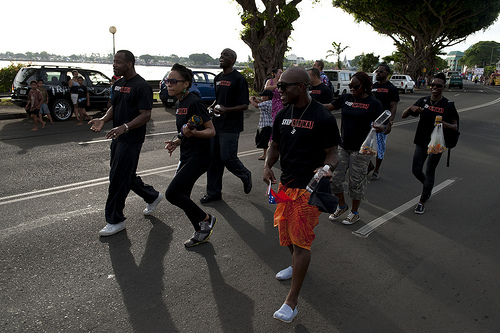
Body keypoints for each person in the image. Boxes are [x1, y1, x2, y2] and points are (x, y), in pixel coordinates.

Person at [263, 67, 340, 323]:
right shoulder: (283, 114)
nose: (279, 90)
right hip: (285, 185)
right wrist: (267, 166)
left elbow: (332, 152)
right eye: (278, 85)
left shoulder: (322, 117)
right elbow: (275, 145)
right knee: (285, 234)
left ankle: (292, 302)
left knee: (301, 241)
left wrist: (327, 167)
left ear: (302, 87)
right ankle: (294, 265)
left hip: (308, 188)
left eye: (284, 86)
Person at [89, 50, 163, 237]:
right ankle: (152, 196)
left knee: (117, 178)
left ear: (129, 63)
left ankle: (115, 220)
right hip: (118, 137)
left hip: (131, 139)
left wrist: (126, 127)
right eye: (114, 61)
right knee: (124, 175)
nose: (114, 65)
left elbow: (145, 115)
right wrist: (103, 120)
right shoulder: (118, 84)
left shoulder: (142, 86)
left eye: (118, 62)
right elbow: (115, 106)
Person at [163, 63, 217, 247]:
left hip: (200, 156)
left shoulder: (194, 102)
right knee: (183, 196)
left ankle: (206, 219)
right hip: (187, 155)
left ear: (185, 84)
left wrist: (194, 134)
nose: (168, 84)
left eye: (172, 81)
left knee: (172, 194)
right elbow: (185, 130)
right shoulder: (180, 103)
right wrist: (177, 142)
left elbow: (211, 131)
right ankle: (201, 230)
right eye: (166, 80)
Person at [325, 72, 384, 225]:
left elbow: (385, 125)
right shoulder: (346, 98)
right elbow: (328, 108)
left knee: (355, 183)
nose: (352, 89)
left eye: (355, 86)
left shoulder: (374, 103)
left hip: (362, 150)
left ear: (364, 86)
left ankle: (354, 212)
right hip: (343, 146)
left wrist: (381, 127)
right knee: (334, 180)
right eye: (350, 86)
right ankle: (342, 206)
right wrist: (309, 103)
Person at [401, 72, 459, 214]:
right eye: (432, 85)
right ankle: (428, 185)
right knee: (416, 170)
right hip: (421, 140)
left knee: (429, 170)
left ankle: (422, 201)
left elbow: (455, 126)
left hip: (437, 144)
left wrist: (445, 125)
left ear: (443, 87)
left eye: (438, 85)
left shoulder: (448, 105)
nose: (434, 87)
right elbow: (403, 115)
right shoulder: (423, 100)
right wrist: (410, 109)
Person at [200, 48, 252, 203]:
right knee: (213, 160)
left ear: (233, 59)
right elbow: (219, 99)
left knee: (227, 157)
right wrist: (212, 107)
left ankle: (244, 174)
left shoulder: (238, 79)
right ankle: (214, 192)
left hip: (231, 126)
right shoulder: (217, 78)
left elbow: (244, 105)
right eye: (221, 55)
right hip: (216, 125)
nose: (222, 57)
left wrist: (226, 110)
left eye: (226, 55)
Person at [369, 64, 400, 180]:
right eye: (377, 71)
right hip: (370, 121)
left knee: (380, 148)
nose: (378, 73)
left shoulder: (391, 88)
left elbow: (393, 107)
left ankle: (376, 170)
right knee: (365, 146)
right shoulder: (373, 86)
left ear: (387, 74)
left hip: (382, 123)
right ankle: (369, 165)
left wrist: (390, 123)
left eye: (381, 72)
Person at [250, 89, 273, 160]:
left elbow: (257, 106)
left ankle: (266, 155)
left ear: (267, 97)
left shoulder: (267, 103)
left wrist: (251, 100)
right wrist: (256, 100)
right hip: (265, 125)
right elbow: (260, 104)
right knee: (264, 141)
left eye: (263, 96)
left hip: (266, 125)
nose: (262, 97)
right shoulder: (268, 102)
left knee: (265, 142)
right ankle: (266, 154)